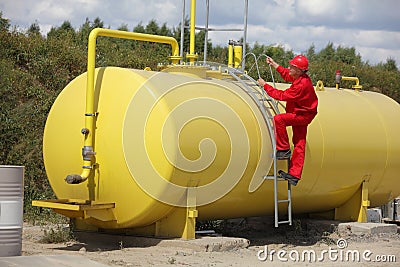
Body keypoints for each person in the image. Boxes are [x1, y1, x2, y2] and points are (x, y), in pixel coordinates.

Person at [257, 55, 318, 186]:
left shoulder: (301, 85)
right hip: (303, 112)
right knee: (300, 143)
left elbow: (281, 96)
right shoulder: (300, 77)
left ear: (299, 70)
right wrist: (274, 64)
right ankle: (294, 175)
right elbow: (286, 75)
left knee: (279, 119)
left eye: (292, 67)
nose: (289, 68)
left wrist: (265, 86)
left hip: (302, 115)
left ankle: (283, 149)